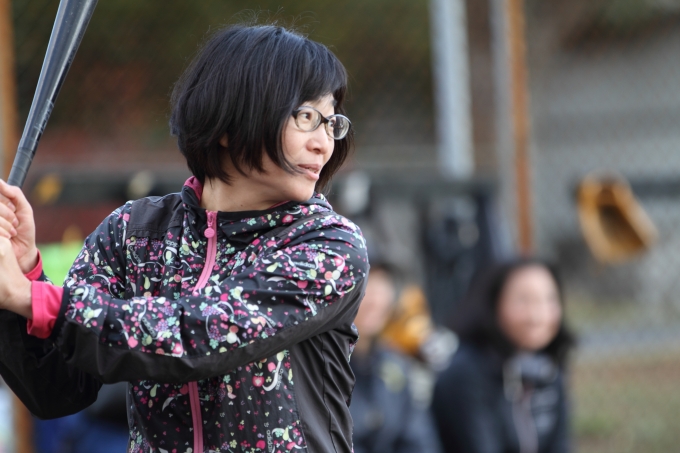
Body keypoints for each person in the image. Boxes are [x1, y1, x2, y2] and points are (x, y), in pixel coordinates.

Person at [0, 24, 368, 453]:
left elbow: (202, 332)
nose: (324, 143)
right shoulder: (133, 232)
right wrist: (23, 272)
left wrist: (31, 297)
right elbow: (56, 389)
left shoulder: (328, 245)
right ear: (229, 122)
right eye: (306, 118)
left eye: (331, 122)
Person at [432, 258, 575, 453]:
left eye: (549, 299)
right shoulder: (466, 373)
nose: (537, 315)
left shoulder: (547, 369)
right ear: (494, 303)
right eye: (523, 300)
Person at [350, 263, 442, 453]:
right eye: (367, 288)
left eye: (381, 288)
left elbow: (419, 439)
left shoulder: (395, 365)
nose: (375, 300)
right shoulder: (320, 365)